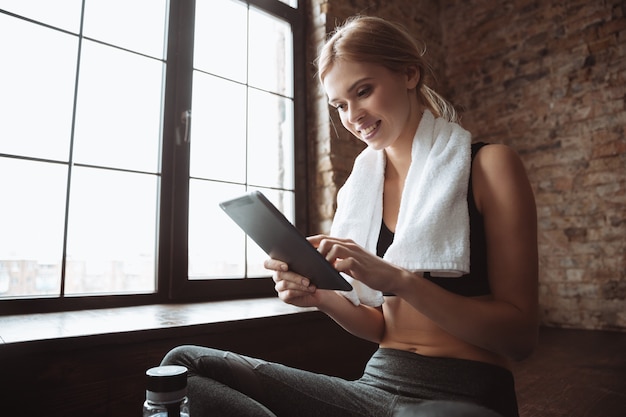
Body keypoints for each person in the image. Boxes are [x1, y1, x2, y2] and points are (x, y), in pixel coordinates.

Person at [161, 15, 538, 417]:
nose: (353, 115)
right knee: (181, 366)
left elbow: (519, 339)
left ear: (409, 74)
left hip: (464, 394)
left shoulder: (488, 166)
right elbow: (380, 327)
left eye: (364, 91)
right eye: (340, 104)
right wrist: (321, 298)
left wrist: (400, 281)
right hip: (376, 387)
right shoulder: (360, 191)